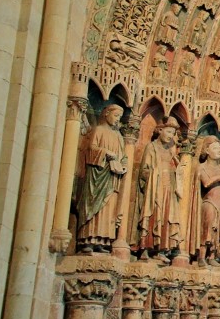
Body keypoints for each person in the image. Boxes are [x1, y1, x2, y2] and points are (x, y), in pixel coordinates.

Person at [76, 104, 127, 254]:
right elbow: (91, 149)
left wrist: (124, 165)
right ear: (106, 114)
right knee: (94, 204)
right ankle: (87, 239)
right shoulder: (99, 130)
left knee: (109, 207)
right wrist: (106, 153)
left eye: (119, 117)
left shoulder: (118, 136)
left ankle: (103, 240)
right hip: (97, 174)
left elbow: (124, 156)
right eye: (116, 116)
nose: (118, 120)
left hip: (112, 177)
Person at [135, 117, 183, 262]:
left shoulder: (170, 152)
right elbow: (144, 170)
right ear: (160, 130)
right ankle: (145, 248)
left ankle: (161, 249)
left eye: (173, 133)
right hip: (155, 188)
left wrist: (177, 168)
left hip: (168, 188)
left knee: (167, 218)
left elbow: (174, 171)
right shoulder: (152, 147)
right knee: (153, 215)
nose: (170, 135)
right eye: (168, 131)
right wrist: (156, 174)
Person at [191, 138, 220, 266]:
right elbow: (206, 183)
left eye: (219, 149)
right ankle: (201, 256)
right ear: (207, 150)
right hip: (209, 202)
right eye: (215, 148)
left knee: (219, 231)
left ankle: (212, 256)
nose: (218, 151)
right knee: (207, 229)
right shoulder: (202, 167)